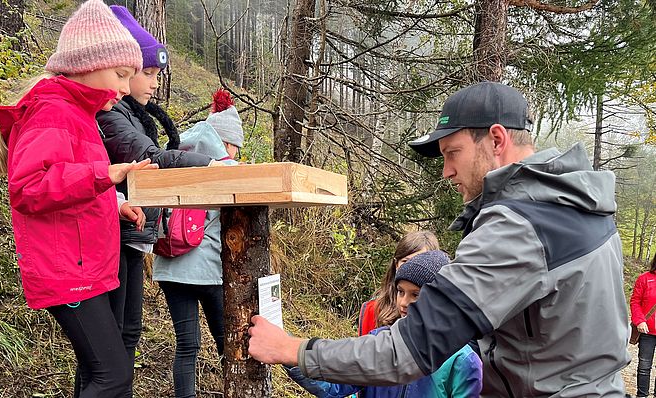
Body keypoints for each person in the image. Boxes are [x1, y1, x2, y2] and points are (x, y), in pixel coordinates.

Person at [247, 81, 629, 397]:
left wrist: (291, 348)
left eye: (452, 153)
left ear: (496, 140)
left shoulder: (520, 226)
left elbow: (409, 351)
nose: (446, 171)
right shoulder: (581, 203)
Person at [0, 0, 158, 396]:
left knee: (98, 371)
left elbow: (73, 179)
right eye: (121, 74)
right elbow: (29, 187)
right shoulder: (52, 109)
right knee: (112, 375)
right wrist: (107, 173)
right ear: (87, 64)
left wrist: (116, 203)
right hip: (67, 268)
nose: (123, 87)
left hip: (87, 263)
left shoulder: (79, 114)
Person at [95, 6, 215, 391]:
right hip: (113, 234)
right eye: (145, 73)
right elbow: (152, 158)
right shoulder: (113, 118)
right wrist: (213, 166)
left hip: (132, 234)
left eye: (154, 74)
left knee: (127, 332)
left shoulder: (131, 116)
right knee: (112, 339)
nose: (152, 83)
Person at [288, 250, 482, 398]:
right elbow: (334, 386)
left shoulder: (463, 361)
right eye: (400, 291)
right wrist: (290, 354)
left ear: (439, 299)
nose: (404, 302)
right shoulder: (379, 341)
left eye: (416, 294)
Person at [152, 89, 243, 398]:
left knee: (187, 345)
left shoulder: (173, 155)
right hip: (208, 271)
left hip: (169, 268)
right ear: (226, 142)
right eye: (236, 147)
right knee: (225, 340)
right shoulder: (225, 169)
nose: (236, 154)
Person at [358, 230, 439, 336]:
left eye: (420, 262)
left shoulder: (444, 319)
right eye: (406, 262)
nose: (412, 268)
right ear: (396, 264)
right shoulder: (372, 310)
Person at [630, 254, 656, 398]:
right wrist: (639, 320)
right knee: (644, 367)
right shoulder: (644, 279)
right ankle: (642, 395)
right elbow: (635, 301)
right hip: (647, 331)